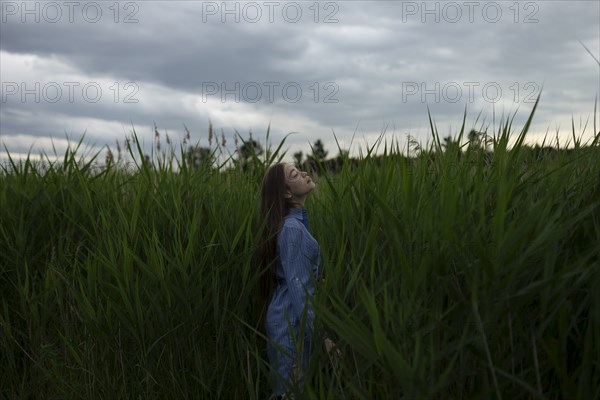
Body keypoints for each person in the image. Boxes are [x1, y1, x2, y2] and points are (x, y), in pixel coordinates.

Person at [258, 162, 337, 398]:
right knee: (290, 392)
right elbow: (300, 290)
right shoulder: (293, 229)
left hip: (290, 318)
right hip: (290, 322)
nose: (305, 173)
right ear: (287, 193)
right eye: (295, 174)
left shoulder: (296, 224)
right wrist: (322, 337)